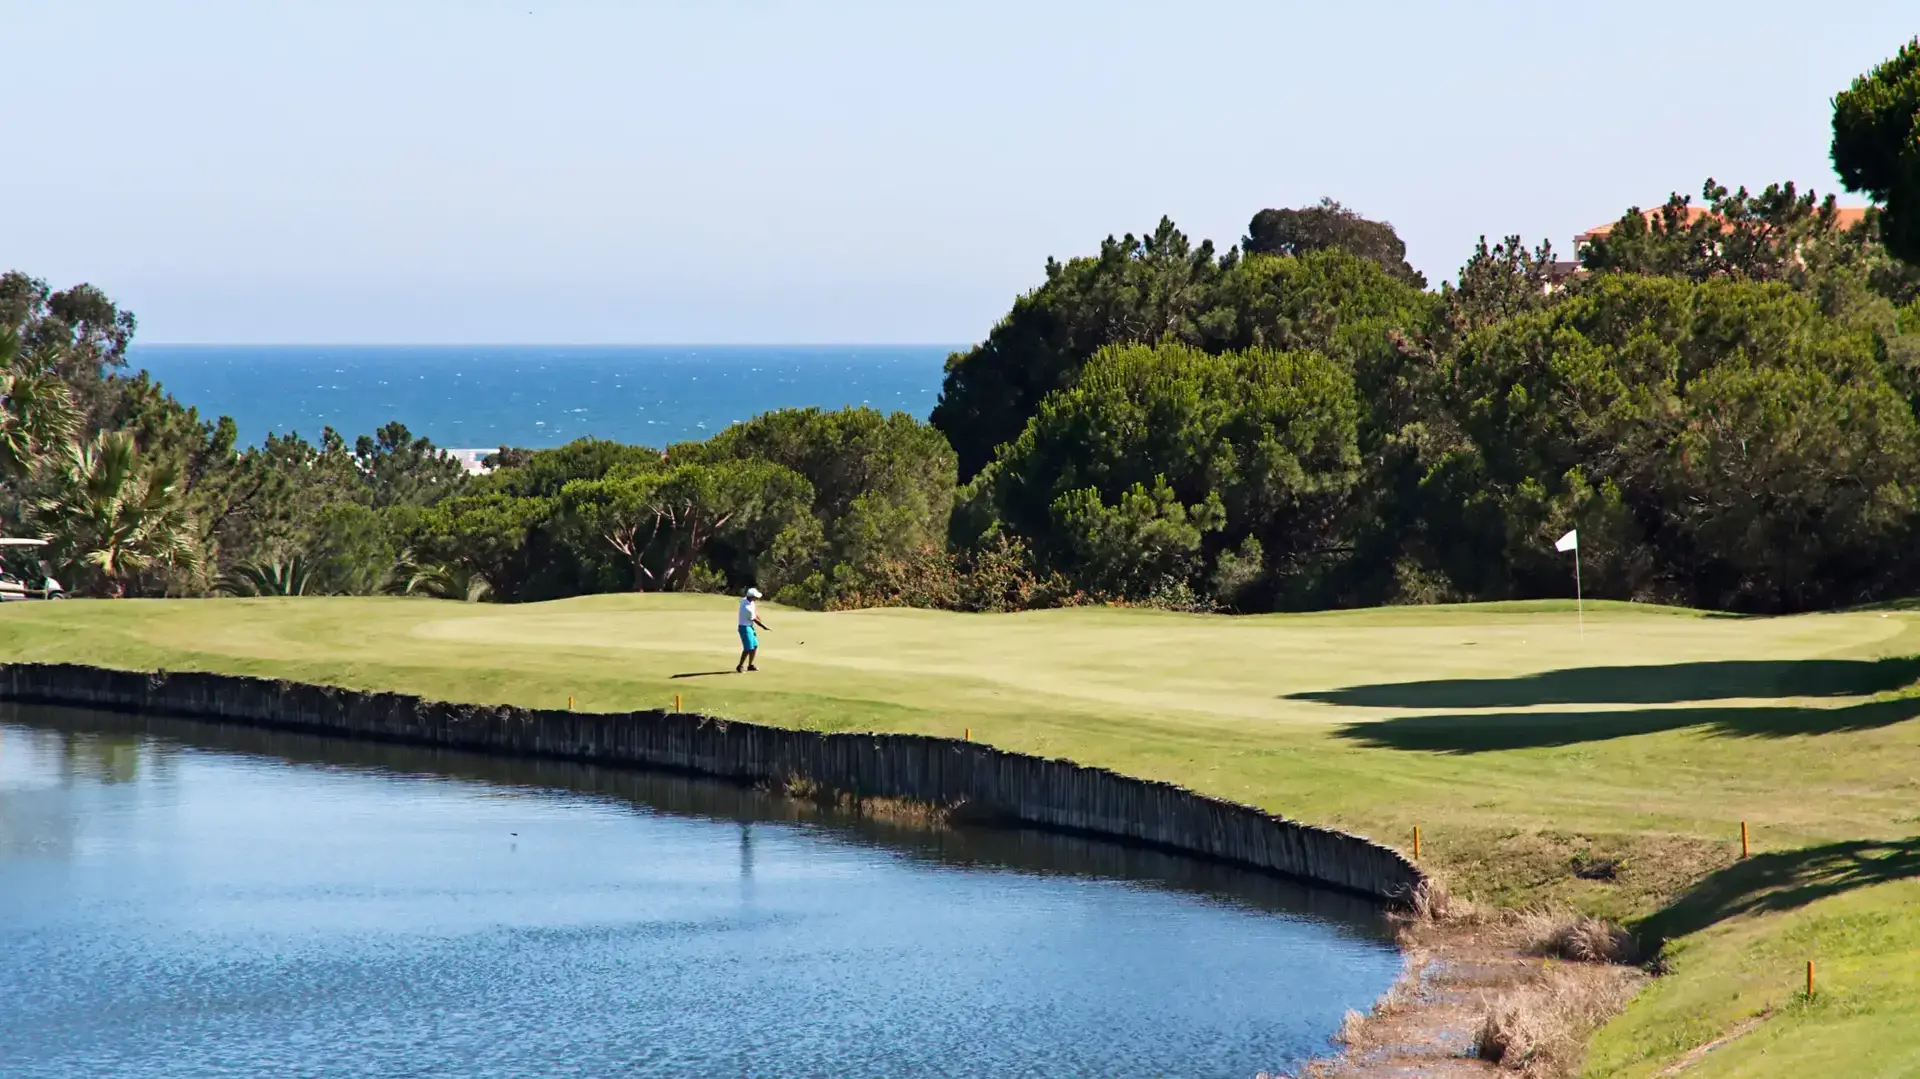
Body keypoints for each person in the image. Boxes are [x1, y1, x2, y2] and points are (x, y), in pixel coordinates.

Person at [736, 586, 770, 672]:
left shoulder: (750, 601)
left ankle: (750, 665)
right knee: (748, 648)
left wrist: (761, 620)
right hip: (744, 627)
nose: (757, 598)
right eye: (755, 597)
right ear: (751, 597)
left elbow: (755, 613)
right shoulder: (746, 607)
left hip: (749, 627)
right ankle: (740, 666)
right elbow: (754, 619)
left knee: (754, 646)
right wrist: (763, 626)